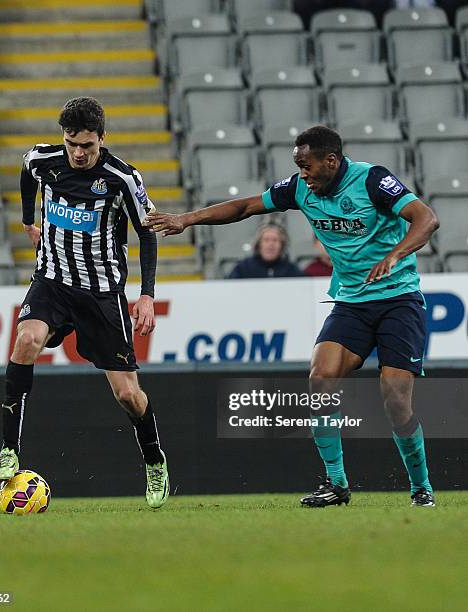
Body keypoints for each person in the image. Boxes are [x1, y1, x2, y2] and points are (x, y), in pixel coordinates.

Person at [145, 125, 439, 508]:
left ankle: (421, 487)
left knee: (395, 401)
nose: (302, 174)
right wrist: (187, 219)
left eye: (307, 166)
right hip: (352, 301)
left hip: (399, 299)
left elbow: (426, 218)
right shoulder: (301, 189)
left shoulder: (372, 180)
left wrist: (396, 254)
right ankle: (337, 484)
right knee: (320, 378)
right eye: (298, 166)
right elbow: (246, 206)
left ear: (331, 161)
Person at [0, 97, 169, 509]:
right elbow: (26, 174)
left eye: (87, 145)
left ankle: (154, 458)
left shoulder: (123, 178)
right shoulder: (43, 160)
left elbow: (147, 232)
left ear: (102, 140)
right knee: (25, 341)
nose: (79, 152)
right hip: (51, 281)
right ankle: (9, 450)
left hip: (101, 293)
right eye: (72, 143)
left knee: (127, 394)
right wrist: (27, 221)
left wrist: (147, 295)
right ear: (64, 138)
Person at [228, 222, 305, 279]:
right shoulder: (243, 268)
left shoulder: (291, 269)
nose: (271, 244)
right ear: (259, 244)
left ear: (282, 245)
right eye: (266, 240)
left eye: (275, 240)